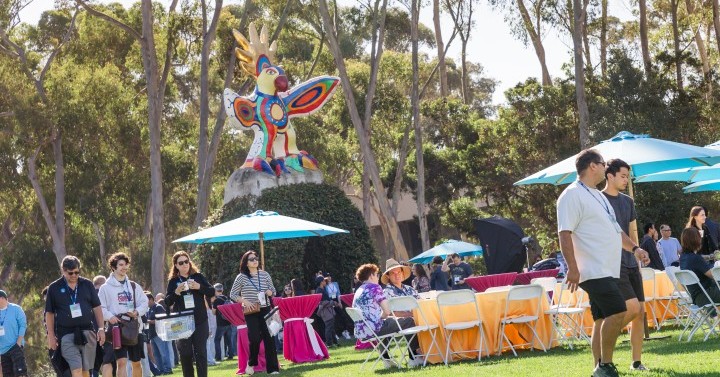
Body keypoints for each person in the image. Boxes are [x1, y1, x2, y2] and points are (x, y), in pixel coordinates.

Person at [557, 149, 649, 377]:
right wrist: (573, 268)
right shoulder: (571, 195)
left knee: (601, 319)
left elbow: (616, 231)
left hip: (608, 269)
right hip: (592, 270)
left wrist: (635, 249)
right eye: (602, 163)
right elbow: (564, 233)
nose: (605, 168)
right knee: (618, 311)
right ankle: (605, 366)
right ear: (592, 166)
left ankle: (599, 366)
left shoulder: (597, 195)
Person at [601, 158, 649, 372]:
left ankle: (636, 362)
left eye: (627, 176)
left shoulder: (628, 201)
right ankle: (605, 340)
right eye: (622, 176)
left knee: (640, 312)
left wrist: (639, 252)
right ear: (609, 175)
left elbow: (631, 233)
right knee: (632, 308)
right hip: (612, 263)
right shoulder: (598, 201)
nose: (625, 180)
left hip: (631, 261)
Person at [351, 264, 422, 369]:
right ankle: (414, 357)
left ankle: (386, 359)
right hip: (375, 329)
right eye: (376, 274)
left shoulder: (359, 290)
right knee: (409, 322)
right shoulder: (374, 287)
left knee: (387, 323)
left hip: (362, 331)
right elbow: (387, 311)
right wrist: (384, 317)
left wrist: (383, 317)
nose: (377, 277)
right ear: (371, 276)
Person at [45, 256, 106, 377]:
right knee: (76, 368)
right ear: (63, 270)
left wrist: (101, 329)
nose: (74, 275)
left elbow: (97, 308)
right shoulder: (54, 287)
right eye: (70, 273)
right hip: (66, 334)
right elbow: (49, 313)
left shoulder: (87, 284)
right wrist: (50, 335)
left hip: (87, 332)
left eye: (77, 272)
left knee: (85, 371)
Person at [98, 252, 149, 377]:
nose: (124, 267)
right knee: (121, 362)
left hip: (133, 328)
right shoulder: (105, 288)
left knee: (136, 362)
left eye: (126, 264)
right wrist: (110, 316)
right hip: (116, 329)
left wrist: (137, 312)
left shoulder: (133, 285)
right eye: (121, 265)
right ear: (114, 267)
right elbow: (100, 308)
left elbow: (144, 302)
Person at [164, 251, 214, 377]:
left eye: (186, 261)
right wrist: (176, 292)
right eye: (181, 263)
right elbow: (167, 301)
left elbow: (211, 291)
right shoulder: (173, 281)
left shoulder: (198, 276)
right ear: (176, 265)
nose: (185, 264)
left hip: (200, 321)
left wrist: (199, 287)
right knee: (185, 354)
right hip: (182, 322)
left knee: (201, 353)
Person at [229, 250, 279, 375]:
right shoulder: (241, 277)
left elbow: (274, 291)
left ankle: (272, 368)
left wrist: (270, 292)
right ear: (246, 263)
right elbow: (233, 294)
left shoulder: (265, 275)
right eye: (251, 259)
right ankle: (251, 363)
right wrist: (244, 301)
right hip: (251, 311)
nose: (255, 260)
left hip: (266, 309)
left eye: (256, 258)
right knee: (255, 338)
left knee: (269, 338)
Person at [679, 227, 720, 305]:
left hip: (696, 297)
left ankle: (714, 315)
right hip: (706, 296)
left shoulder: (683, 257)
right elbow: (715, 275)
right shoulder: (696, 259)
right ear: (695, 240)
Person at [0, 290, 27, 377]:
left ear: (2, 298)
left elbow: (23, 325)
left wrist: (18, 343)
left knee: (20, 374)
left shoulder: (16, 309)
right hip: (3, 350)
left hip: (15, 346)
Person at [146, 293, 172, 375]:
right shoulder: (149, 309)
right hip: (152, 334)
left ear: (151, 299)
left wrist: (148, 321)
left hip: (159, 334)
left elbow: (162, 320)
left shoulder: (158, 307)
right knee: (156, 354)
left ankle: (168, 369)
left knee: (163, 353)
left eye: (146, 301)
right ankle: (160, 370)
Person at [323, 274, 352, 340]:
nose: (329, 277)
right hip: (330, 301)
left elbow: (338, 293)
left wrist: (340, 302)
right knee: (333, 318)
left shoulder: (335, 283)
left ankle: (345, 331)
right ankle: (335, 334)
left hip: (336, 300)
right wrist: (331, 303)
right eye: (327, 277)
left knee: (342, 315)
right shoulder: (325, 286)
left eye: (330, 276)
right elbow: (327, 296)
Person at [212, 284, 234, 361]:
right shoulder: (227, 298)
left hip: (221, 324)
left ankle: (218, 356)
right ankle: (230, 355)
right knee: (229, 340)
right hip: (228, 322)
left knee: (217, 340)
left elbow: (214, 313)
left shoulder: (216, 300)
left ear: (215, 290)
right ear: (222, 290)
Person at [314, 276, 338, 347]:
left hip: (328, 310)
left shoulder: (322, 289)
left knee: (331, 327)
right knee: (328, 327)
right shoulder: (319, 290)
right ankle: (329, 344)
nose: (325, 282)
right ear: (321, 282)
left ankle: (335, 342)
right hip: (325, 311)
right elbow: (322, 303)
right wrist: (333, 303)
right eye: (324, 281)